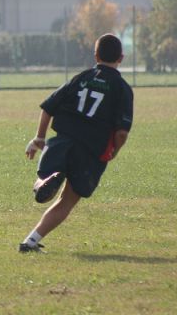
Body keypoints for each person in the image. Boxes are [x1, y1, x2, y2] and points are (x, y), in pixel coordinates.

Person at [20, 33, 134, 253]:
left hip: (63, 140)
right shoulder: (122, 88)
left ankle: (44, 181)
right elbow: (121, 133)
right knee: (67, 200)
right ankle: (30, 241)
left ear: (95, 55)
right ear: (121, 57)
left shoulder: (81, 77)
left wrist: (40, 138)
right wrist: (114, 152)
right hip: (91, 151)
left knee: (46, 175)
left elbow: (48, 108)